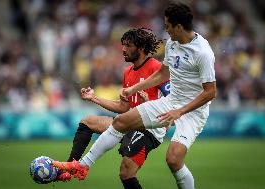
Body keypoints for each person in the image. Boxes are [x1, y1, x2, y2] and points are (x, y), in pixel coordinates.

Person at [54, 3, 216, 189]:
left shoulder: (203, 52)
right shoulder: (172, 43)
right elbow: (163, 74)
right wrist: (133, 89)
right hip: (171, 102)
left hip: (193, 111)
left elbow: (210, 92)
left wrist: (180, 111)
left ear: (179, 27)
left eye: (168, 25)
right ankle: (82, 166)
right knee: (119, 122)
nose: (165, 29)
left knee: (173, 160)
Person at [55, 28, 170, 189]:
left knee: (125, 172)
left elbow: (173, 100)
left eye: (128, 46)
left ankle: (81, 166)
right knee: (87, 122)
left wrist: (150, 101)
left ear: (141, 47)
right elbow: (124, 107)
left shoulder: (156, 68)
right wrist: (93, 98)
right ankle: (70, 167)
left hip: (150, 130)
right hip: (129, 123)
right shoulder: (128, 72)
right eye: (123, 45)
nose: (123, 49)